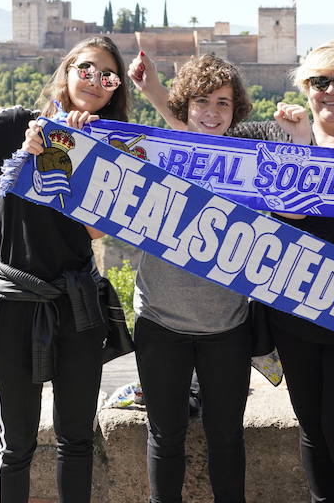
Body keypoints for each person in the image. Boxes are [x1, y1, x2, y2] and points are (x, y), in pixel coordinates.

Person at [133, 44, 334, 503]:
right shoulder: (276, 141)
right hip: (295, 313)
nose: (331, 92)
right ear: (306, 90)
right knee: (311, 429)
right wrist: (153, 91)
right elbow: (201, 141)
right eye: (319, 83)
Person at [0, 36, 131, 503]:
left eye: (108, 77)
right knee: (15, 445)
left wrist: (79, 154)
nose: (96, 81)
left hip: (77, 304)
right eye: (87, 69)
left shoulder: (116, 149)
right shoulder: (16, 126)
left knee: (77, 442)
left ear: (115, 90)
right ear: (68, 71)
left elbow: (94, 233)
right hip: (14, 305)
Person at [127, 52, 309, 503]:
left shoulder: (253, 162)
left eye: (224, 103)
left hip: (226, 327)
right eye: (202, 101)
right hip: (159, 323)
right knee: (164, 436)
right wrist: (151, 91)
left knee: (227, 438)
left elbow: (295, 205)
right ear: (184, 105)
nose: (212, 112)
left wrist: (302, 137)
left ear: (236, 111)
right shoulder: (162, 152)